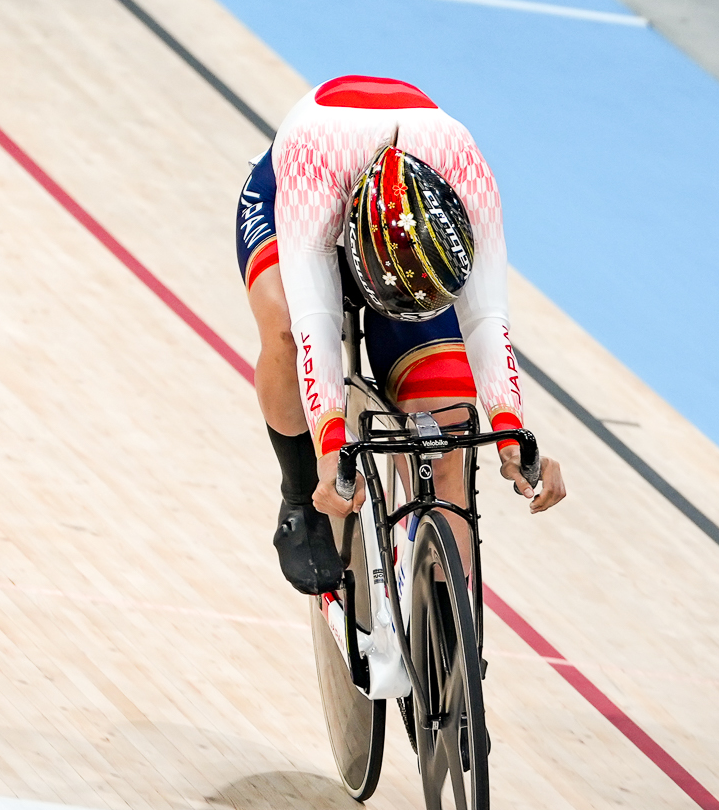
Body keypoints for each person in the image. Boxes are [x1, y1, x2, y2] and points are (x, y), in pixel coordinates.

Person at [236, 74, 564, 594]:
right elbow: (315, 327)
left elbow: (486, 319)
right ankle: (299, 500)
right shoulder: (313, 168)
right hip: (296, 197)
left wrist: (510, 429)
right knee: (283, 328)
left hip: (408, 242)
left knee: (449, 429)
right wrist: (329, 444)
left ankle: (447, 642)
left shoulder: (464, 170)